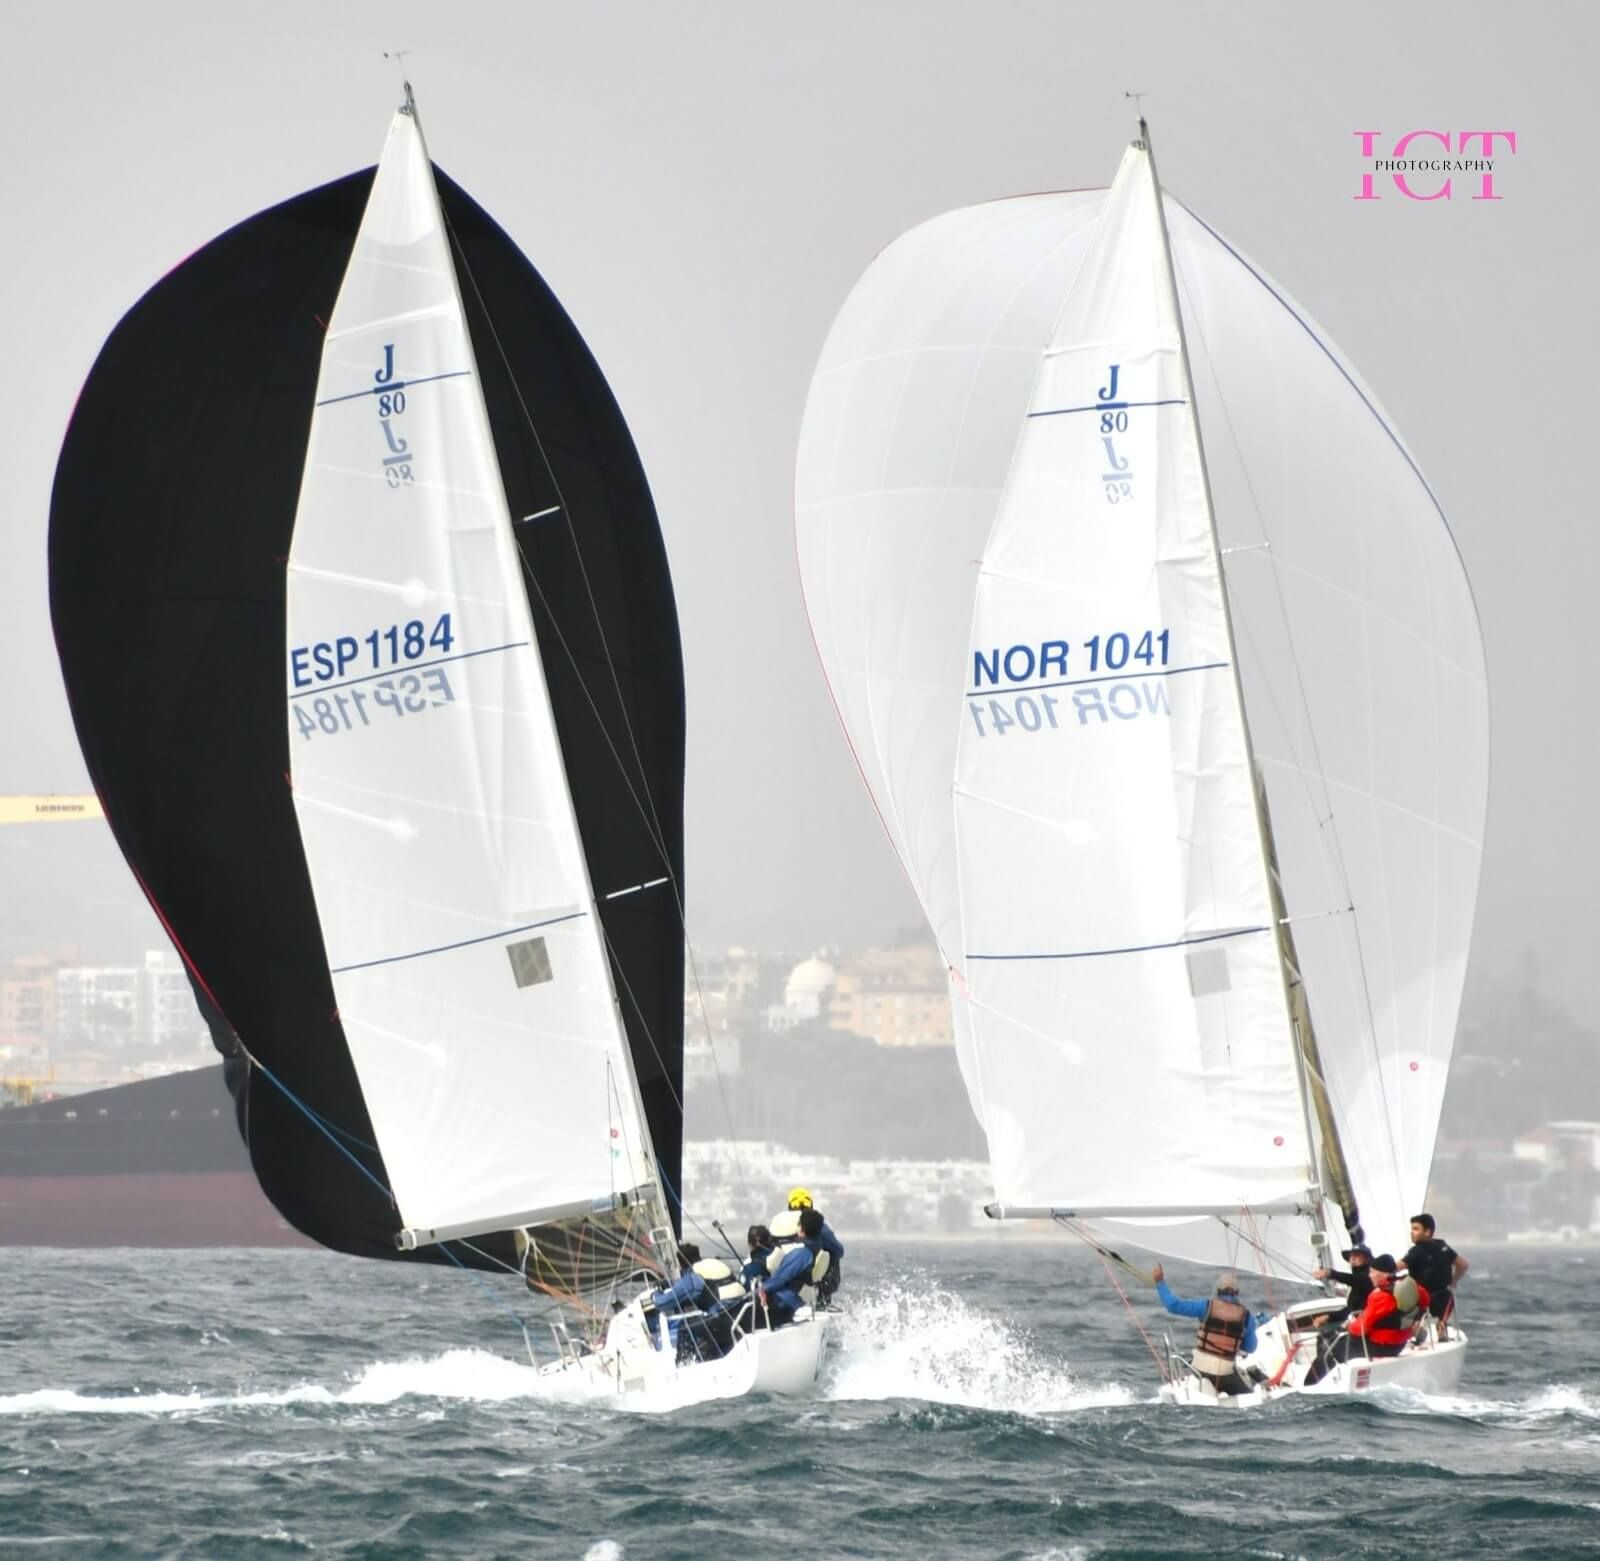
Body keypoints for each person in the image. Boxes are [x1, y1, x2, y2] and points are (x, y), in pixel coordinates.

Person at [1301, 1254, 1427, 1386]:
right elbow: (1424, 1303)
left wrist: (1349, 1325)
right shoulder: (1416, 1288)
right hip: (1399, 1344)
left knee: (1331, 1349)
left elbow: (1359, 1329)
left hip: (1380, 1346)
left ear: (1383, 1273)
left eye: (1372, 1272)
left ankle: (1309, 1387)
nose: (1370, 1275)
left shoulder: (1380, 1296)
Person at [1151, 1264, 1261, 1396]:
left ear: (1218, 1291)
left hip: (1199, 1370)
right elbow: (1251, 1348)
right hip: (1225, 1375)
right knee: (1251, 1394)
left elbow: (1173, 1306)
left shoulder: (1206, 1306)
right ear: (1237, 1293)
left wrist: (1160, 1282)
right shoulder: (1246, 1317)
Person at [642, 1243, 734, 1362]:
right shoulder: (712, 1265)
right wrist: (672, 1283)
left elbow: (663, 1303)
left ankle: (684, 1363)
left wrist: (654, 1295)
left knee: (684, 1327)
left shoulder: (692, 1279)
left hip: (720, 1320)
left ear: (680, 1264)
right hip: (738, 1314)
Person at [758, 1207, 826, 1328]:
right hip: (794, 1301)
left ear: (802, 1228)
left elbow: (779, 1279)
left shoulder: (802, 1254)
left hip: (783, 1304)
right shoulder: (816, 1247)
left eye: (799, 1224)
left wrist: (760, 1289)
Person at [1400, 1213, 1467, 1331]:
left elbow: (1397, 1266)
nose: (1412, 1232)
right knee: (1447, 1298)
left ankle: (1414, 1330)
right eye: (1412, 1229)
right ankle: (1441, 1328)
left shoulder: (1416, 1251)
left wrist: (1377, 1268)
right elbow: (1463, 1265)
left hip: (1421, 1300)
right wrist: (1454, 1280)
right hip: (1443, 1298)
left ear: (1427, 1232)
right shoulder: (1443, 1246)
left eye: (1416, 1229)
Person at [786, 1186, 845, 1306]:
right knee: (833, 1255)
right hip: (809, 1274)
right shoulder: (820, 1228)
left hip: (787, 1274)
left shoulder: (779, 1226)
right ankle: (823, 1300)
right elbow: (839, 1250)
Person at [1311, 1243, 1376, 1322]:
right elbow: (1352, 1309)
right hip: (1359, 1325)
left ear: (1367, 1259)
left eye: (1357, 1255)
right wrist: (1329, 1317)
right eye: (1351, 1256)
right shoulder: (1356, 1282)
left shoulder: (1370, 1277)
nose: (1352, 1258)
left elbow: (1358, 1280)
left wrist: (1331, 1273)